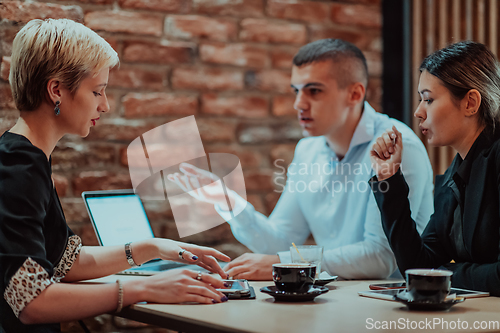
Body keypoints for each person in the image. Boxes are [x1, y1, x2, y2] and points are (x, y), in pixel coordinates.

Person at [0, 19, 231, 333]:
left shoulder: (28, 158)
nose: (105, 105)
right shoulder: (18, 166)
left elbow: (65, 261)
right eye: (97, 91)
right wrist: (145, 289)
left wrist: (153, 247)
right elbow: (31, 301)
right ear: (56, 90)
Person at [168, 39, 434, 280]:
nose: (299, 104)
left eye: (314, 91)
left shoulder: (397, 147)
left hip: (392, 306)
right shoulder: (308, 150)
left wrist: (282, 263)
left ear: (355, 94)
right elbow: (282, 241)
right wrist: (228, 202)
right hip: (332, 300)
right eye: (296, 90)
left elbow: (380, 258)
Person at [369, 41, 500, 296]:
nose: (418, 112)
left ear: (470, 103)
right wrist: (389, 178)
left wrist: (447, 273)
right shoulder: (456, 172)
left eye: (428, 99)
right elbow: (418, 268)